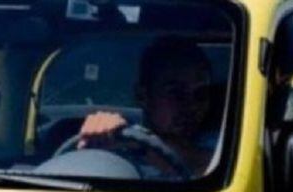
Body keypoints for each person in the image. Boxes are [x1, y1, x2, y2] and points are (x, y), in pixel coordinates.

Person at [76, 37, 215, 177]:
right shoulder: (119, 144)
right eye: (176, 93)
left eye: (201, 93)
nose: (191, 105)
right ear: (142, 96)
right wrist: (98, 132)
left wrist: (144, 147)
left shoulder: (224, 143)